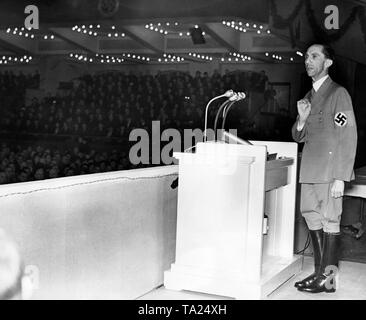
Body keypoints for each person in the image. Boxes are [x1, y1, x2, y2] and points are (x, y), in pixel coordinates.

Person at [292, 44, 357, 293]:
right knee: (311, 216)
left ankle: (328, 279)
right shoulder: (308, 97)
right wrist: (302, 119)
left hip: (329, 172)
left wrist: (341, 177)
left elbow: (348, 135)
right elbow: (298, 136)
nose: (308, 60)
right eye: (307, 56)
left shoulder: (338, 94)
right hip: (309, 170)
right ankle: (320, 274)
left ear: (327, 63)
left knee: (330, 221)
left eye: (314, 56)